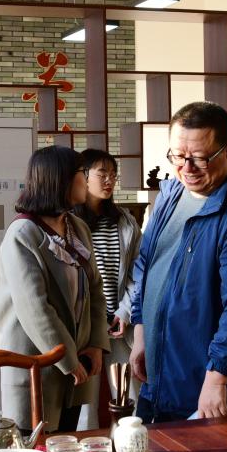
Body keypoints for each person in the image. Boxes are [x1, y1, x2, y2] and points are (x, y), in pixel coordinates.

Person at [129, 101, 227, 422]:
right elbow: (146, 265)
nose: (187, 168)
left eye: (200, 158)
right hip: (160, 379)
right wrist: (141, 334)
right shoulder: (171, 194)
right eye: (178, 156)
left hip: (209, 389)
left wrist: (218, 377)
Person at [0, 145, 109, 431]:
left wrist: (96, 344)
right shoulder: (22, 234)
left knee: (66, 445)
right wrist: (67, 359)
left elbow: (95, 289)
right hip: (38, 367)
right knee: (34, 446)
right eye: (82, 172)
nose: (86, 180)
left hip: (77, 363)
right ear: (61, 179)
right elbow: (35, 309)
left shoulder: (77, 227)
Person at [73, 149, 142, 427]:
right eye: (102, 173)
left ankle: (132, 447)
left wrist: (125, 311)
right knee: (84, 406)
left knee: (129, 396)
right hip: (87, 328)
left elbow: (138, 271)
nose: (109, 180)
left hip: (118, 324)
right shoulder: (69, 222)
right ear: (83, 176)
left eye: (113, 174)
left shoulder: (124, 220)